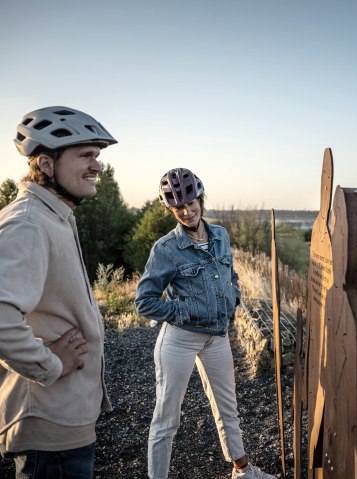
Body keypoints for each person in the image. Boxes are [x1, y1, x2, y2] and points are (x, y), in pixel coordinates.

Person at [0, 106, 117, 477]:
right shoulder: (29, 222)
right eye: (85, 155)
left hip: (64, 418)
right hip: (50, 427)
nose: (97, 166)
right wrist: (51, 366)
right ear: (46, 164)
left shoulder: (54, 216)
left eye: (96, 156)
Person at [135, 168, 275, 479]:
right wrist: (182, 312)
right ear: (170, 210)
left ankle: (243, 471)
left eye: (191, 203)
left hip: (217, 337)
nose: (186, 212)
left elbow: (232, 276)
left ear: (201, 199)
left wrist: (234, 295)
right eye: (178, 207)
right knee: (166, 418)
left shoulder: (222, 236)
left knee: (228, 409)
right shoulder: (166, 249)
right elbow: (144, 300)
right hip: (179, 341)